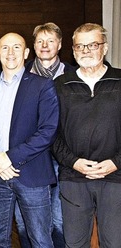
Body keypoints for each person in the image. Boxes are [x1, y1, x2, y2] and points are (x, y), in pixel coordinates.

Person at [0, 32, 58, 247]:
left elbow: (47, 131)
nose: (10, 53)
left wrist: (9, 158)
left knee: (40, 240)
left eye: (17, 47)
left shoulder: (42, 85)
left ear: (26, 52)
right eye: (5, 48)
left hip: (31, 175)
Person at [53, 23, 121, 247]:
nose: (86, 50)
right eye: (80, 46)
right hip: (74, 177)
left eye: (93, 44)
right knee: (74, 243)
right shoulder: (59, 86)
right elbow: (52, 135)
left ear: (105, 47)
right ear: (72, 51)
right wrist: (74, 163)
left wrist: (115, 163)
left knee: (114, 242)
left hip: (115, 177)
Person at [21, 22, 76, 248]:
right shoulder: (20, 73)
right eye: (40, 41)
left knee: (58, 222)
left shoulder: (74, 75)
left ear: (60, 45)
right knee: (26, 224)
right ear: (33, 45)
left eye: (50, 41)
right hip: (32, 158)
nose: (45, 45)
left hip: (65, 158)